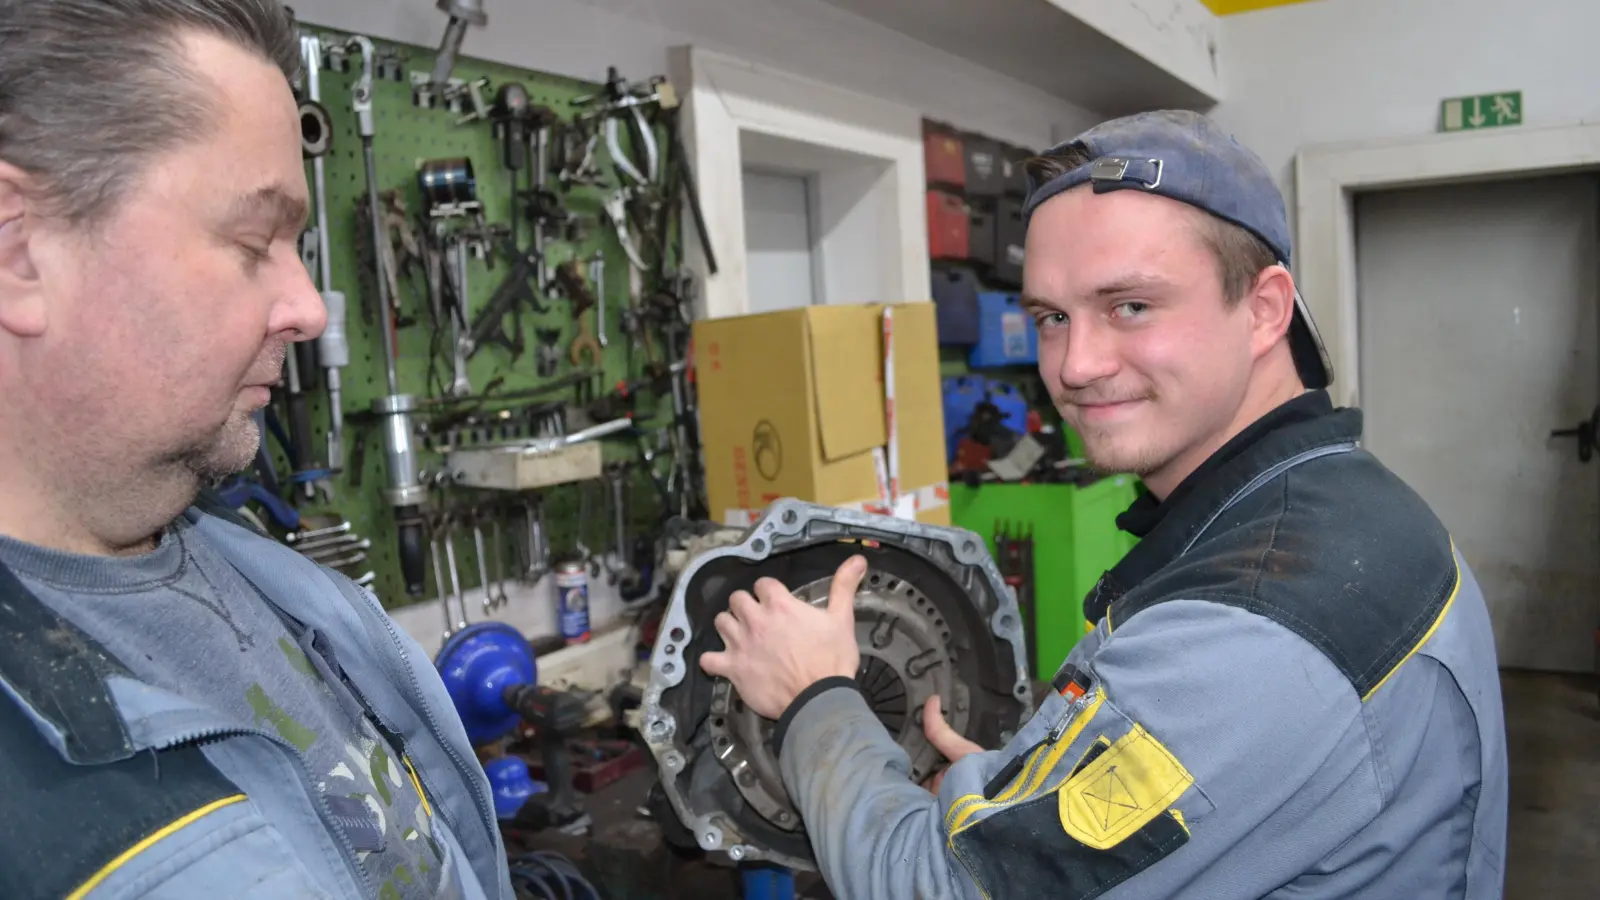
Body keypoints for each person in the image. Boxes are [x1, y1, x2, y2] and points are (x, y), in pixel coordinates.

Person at [700, 110, 1509, 899]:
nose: (1075, 365)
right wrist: (1047, 790)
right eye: (1052, 317)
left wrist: (817, 699)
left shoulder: (1257, 621)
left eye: (1131, 306)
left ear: (1264, 308)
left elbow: (935, 889)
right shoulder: (1343, 501)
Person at [0, 3, 511, 898]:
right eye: (252, 240)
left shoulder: (272, 581)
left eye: (300, 245)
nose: (311, 308)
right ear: (18, 252)